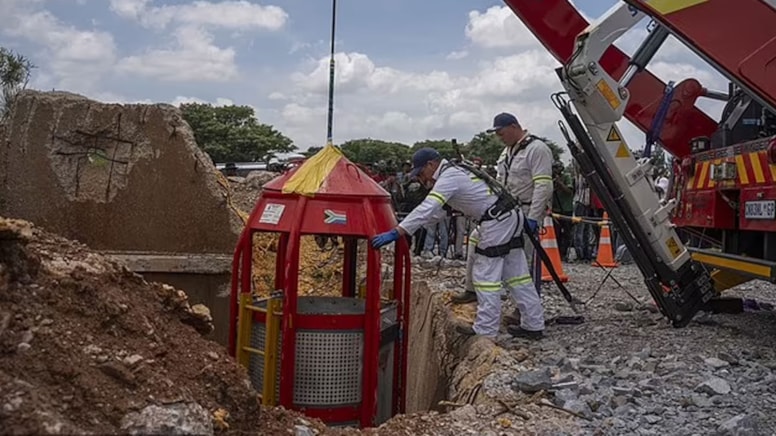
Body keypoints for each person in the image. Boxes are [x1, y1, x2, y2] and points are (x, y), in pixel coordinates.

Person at [371, 147, 544, 339]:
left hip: (497, 222)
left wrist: (398, 231)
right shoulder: (457, 170)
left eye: (421, 173)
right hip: (509, 216)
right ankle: (533, 324)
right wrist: (406, 226)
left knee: (486, 276)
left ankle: (486, 330)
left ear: (431, 164)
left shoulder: (449, 177)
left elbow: (429, 207)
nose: (422, 179)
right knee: (517, 275)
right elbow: (438, 213)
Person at [452, 112, 553, 328]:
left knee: (523, 263)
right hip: (504, 213)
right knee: (475, 241)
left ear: (515, 126)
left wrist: (534, 218)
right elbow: (498, 184)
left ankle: (522, 311)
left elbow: (543, 186)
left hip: (526, 210)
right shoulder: (506, 153)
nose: (500, 137)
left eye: (501, 132)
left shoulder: (537, 149)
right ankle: (471, 290)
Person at [551, 161, 574, 261]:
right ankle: (557, 253)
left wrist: (560, 183)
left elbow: (569, 191)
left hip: (566, 208)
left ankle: (564, 253)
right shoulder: (551, 178)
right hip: (555, 209)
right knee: (556, 233)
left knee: (567, 233)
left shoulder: (567, 177)